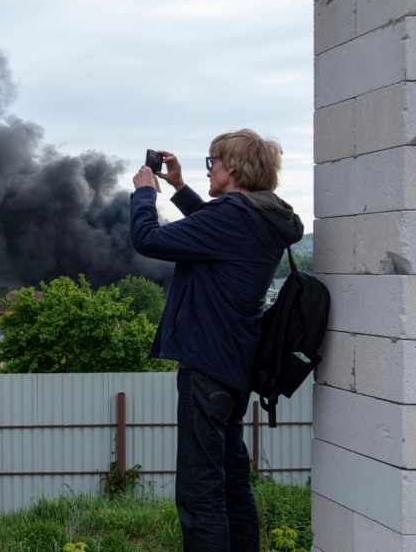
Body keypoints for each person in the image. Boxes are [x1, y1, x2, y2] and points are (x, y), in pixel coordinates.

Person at [129, 130, 303, 551]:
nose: (210, 170)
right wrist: (181, 189)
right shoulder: (259, 218)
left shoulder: (233, 217)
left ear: (234, 169)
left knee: (200, 495)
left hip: (206, 368)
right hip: (233, 366)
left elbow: (147, 240)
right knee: (231, 487)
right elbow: (216, 233)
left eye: (213, 163)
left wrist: (144, 195)